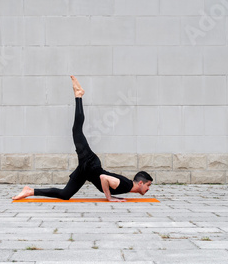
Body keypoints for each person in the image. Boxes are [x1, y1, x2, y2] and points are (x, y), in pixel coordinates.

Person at [12, 76, 153, 202]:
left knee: (65, 194)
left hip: (87, 171)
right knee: (77, 131)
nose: (148, 189)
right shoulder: (126, 185)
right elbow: (104, 178)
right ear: (140, 183)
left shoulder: (126, 187)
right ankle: (78, 95)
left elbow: (104, 179)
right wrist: (110, 198)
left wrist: (112, 195)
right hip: (90, 164)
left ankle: (29, 191)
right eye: (148, 185)